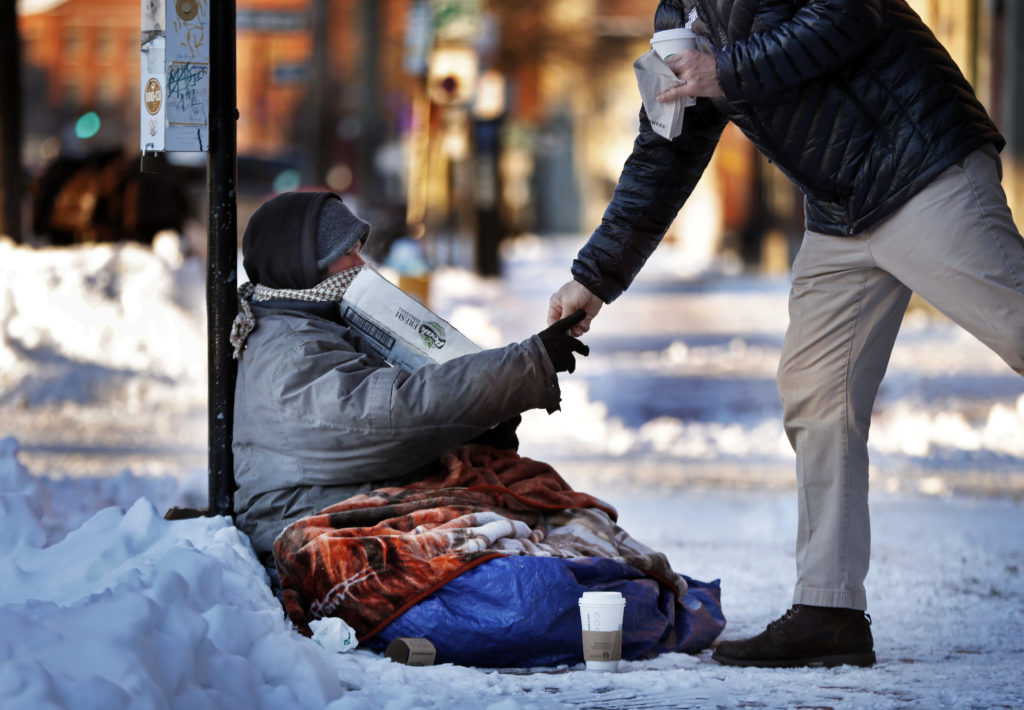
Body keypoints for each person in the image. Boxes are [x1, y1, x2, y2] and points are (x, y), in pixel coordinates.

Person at [548, 0, 1024, 668]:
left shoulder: (713, 43)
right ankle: (829, 612)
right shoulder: (679, 16)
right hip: (840, 209)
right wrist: (594, 277)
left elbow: (850, 17)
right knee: (816, 395)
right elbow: (666, 148)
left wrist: (725, 70)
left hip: (920, 172)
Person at [231, 191, 590, 561]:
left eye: (359, 249)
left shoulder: (306, 324)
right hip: (302, 528)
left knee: (530, 491)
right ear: (303, 265)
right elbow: (393, 414)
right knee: (520, 550)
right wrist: (526, 365)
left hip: (336, 502)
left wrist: (476, 429)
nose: (361, 264)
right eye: (347, 254)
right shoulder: (292, 350)